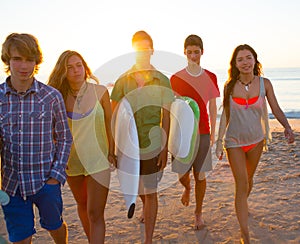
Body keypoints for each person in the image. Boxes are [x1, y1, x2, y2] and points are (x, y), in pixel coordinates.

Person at [215, 44, 295, 243]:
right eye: (240, 59)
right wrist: (219, 141)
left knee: (248, 181)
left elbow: (275, 108)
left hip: (257, 141)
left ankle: (243, 205)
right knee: (241, 184)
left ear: (255, 60)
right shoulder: (229, 86)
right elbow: (225, 115)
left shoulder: (265, 84)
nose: (245, 62)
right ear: (235, 63)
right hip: (233, 141)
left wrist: (287, 126)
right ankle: (245, 233)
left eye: (248, 58)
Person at [0, 33, 73, 244]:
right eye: (17, 59)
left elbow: (65, 138)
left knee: (55, 227)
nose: (24, 66)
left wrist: (55, 177)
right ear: (7, 60)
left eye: (29, 59)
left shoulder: (51, 96)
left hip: (45, 182)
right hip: (11, 185)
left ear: (36, 61)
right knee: (21, 239)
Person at [110, 30, 174, 244]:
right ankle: (144, 207)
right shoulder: (122, 80)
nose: (142, 53)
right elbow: (114, 115)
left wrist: (165, 148)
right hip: (127, 145)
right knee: (138, 189)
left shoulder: (162, 80)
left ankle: (148, 239)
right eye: (138, 49)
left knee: (151, 191)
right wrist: (113, 147)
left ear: (152, 50)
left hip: (152, 142)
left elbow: (166, 114)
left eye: (145, 48)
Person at [48, 50, 116, 244]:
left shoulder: (101, 91)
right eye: (70, 67)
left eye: (79, 65)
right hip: (72, 161)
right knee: (83, 205)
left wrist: (112, 152)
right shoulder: (58, 96)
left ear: (85, 67)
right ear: (63, 71)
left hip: (98, 159)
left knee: (95, 212)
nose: (76, 70)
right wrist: (57, 159)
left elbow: (109, 123)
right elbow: (53, 132)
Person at [170, 34, 220, 229]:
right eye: (189, 52)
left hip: (203, 132)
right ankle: (186, 187)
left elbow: (213, 107)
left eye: (196, 52)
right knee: (182, 174)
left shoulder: (210, 77)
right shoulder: (175, 78)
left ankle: (198, 212)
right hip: (182, 134)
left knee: (201, 174)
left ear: (202, 52)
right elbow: (171, 108)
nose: (192, 56)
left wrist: (214, 133)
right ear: (184, 52)